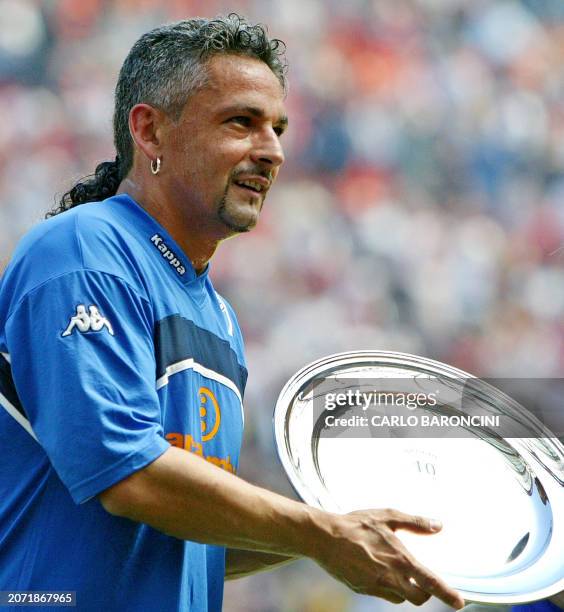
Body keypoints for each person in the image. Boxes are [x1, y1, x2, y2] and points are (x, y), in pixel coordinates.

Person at [0, 14, 465, 611]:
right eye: (241, 122)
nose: (271, 150)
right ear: (150, 132)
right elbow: (125, 475)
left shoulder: (217, 314)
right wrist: (319, 532)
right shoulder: (84, 250)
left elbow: (191, 540)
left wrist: (338, 535)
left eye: (277, 128)